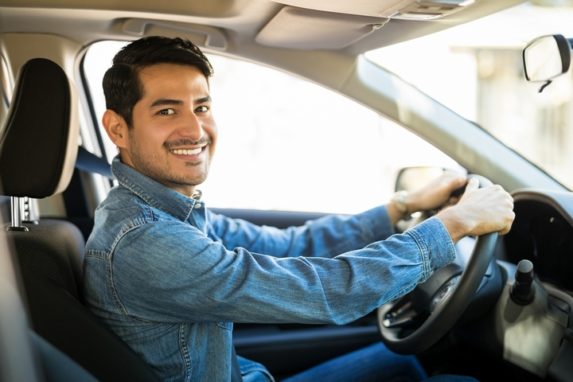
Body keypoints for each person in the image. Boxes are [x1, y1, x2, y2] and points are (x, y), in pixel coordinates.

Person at [83, 36, 515, 382]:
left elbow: (291, 245)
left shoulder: (166, 210)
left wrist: (400, 205)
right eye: (166, 110)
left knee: (405, 364)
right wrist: (454, 224)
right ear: (118, 128)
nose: (195, 129)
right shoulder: (146, 241)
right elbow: (323, 293)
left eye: (202, 107)